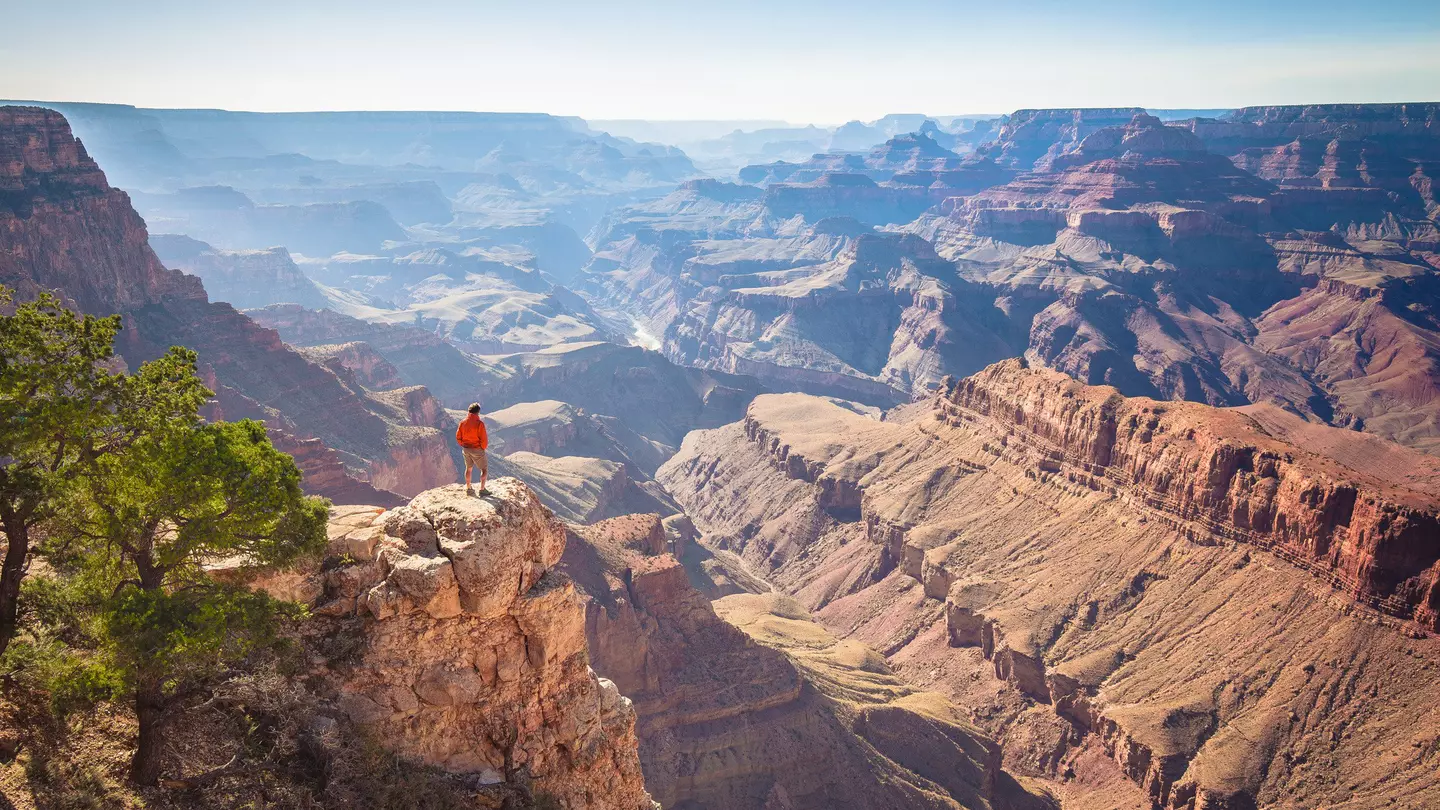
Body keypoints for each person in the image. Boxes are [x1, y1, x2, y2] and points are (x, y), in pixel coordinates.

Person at [456, 402, 489, 495]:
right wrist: (482, 448)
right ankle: (482, 490)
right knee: (484, 469)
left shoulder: (462, 423)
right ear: (478, 412)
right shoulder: (479, 424)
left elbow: (458, 436)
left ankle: (468, 488)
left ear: (469, 411)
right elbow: (484, 439)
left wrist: (463, 444)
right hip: (477, 449)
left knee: (468, 468)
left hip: (466, 449)